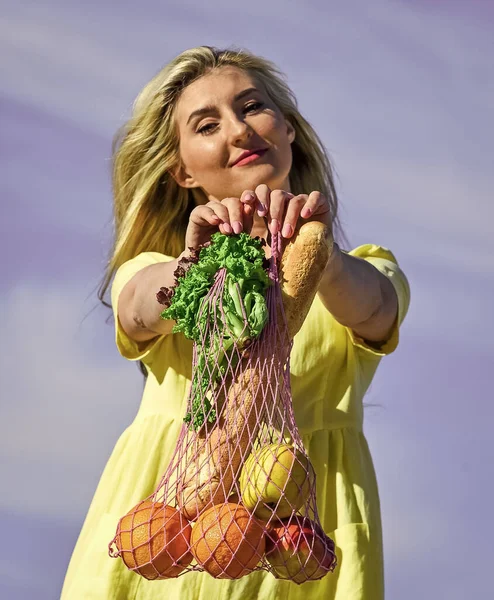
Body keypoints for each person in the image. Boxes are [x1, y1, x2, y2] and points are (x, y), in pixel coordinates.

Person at [61, 46, 410, 600]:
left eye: (252, 107)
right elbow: (136, 307)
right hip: (171, 525)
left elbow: (377, 310)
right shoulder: (159, 268)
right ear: (181, 169)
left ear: (289, 130)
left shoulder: (362, 268)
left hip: (299, 541)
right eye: (207, 124)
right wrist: (193, 267)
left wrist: (314, 248)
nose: (240, 130)